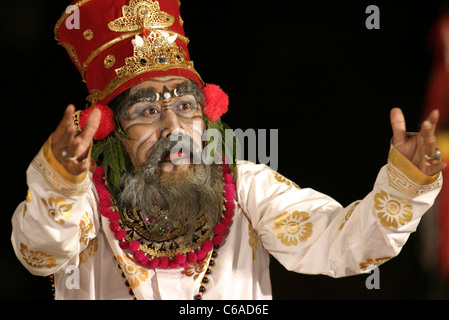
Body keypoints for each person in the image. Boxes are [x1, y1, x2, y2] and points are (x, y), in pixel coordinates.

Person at [11, 0, 446, 300]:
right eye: (146, 111)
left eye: (186, 106)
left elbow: (344, 243)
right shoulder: (82, 199)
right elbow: (40, 252)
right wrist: (60, 183)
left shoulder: (248, 189)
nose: (173, 127)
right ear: (111, 130)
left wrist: (404, 186)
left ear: (207, 117)